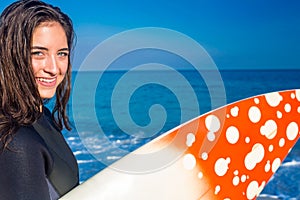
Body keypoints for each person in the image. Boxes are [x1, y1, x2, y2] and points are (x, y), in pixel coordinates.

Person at [0, 0, 79, 199]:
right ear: (11, 54)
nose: (53, 68)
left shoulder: (40, 115)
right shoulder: (15, 142)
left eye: (62, 54)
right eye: (38, 53)